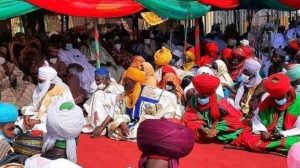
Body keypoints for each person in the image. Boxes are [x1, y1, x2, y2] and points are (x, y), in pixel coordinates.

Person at [232, 73, 300, 153]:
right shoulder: (267, 100)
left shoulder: (298, 103)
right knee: (246, 137)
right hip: (270, 134)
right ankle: (273, 146)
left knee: (293, 144)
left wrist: (283, 134)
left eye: (280, 97)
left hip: (289, 135)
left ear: (287, 92)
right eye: (275, 98)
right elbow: (257, 118)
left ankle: (271, 146)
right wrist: (263, 130)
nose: (278, 100)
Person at [108, 67, 180, 141]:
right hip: (129, 121)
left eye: (127, 84)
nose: (124, 86)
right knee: (113, 129)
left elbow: (167, 97)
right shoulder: (123, 95)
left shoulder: (148, 92)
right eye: (124, 83)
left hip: (143, 122)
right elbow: (118, 112)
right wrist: (122, 122)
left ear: (135, 83)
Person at [183, 74, 244, 143]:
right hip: (202, 128)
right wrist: (202, 128)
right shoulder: (194, 99)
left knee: (234, 134)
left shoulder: (220, 102)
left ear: (210, 94)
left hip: (218, 127)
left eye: (204, 96)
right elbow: (189, 116)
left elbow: (235, 118)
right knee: (187, 130)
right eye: (200, 95)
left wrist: (216, 129)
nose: (201, 98)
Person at [17, 66, 74, 133]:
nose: (39, 83)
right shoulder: (42, 87)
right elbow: (34, 105)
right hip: (40, 116)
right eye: (39, 80)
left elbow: (62, 114)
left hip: (56, 121)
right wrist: (27, 114)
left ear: (50, 81)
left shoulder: (63, 91)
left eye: (41, 81)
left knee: (41, 129)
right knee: (21, 124)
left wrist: (39, 121)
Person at [82, 68, 124, 137]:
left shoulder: (116, 90)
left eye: (98, 80)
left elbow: (114, 111)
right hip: (96, 120)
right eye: (96, 80)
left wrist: (101, 127)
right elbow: (88, 105)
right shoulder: (100, 88)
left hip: (110, 119)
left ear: (106, 79)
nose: (96, 82)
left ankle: (103, 128)